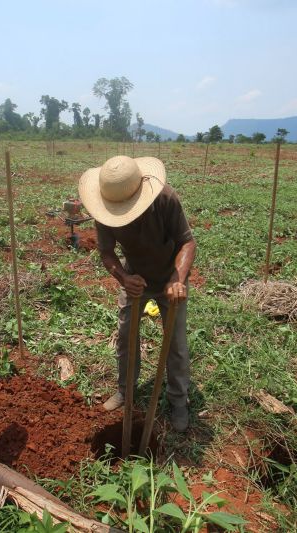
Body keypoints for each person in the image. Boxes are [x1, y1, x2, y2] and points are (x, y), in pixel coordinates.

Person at [78, 155, 196, 432]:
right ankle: (125, 390)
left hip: (170, 277)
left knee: (176, 342)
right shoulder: (104, 209)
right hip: (135, 277)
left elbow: (187, 242)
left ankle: (178, 401)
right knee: (125, 336)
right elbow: (106, 252)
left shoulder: (166, 199)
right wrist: (124, 277)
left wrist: (177, 279)